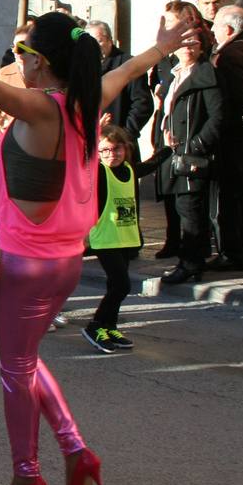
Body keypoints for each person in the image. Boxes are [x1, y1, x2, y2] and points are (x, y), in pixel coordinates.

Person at [0, 9, 194, 485]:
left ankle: (28, 475)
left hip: (27, 264)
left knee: (13, 366)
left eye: (22, 52)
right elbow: (130, 70)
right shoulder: (88, 102)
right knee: (23, 358)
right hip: (65, 262)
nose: (15, 60)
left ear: (41, 62)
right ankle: (74, 451)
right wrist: (162, 47)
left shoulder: (42, 108)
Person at [152, 15, 223, 285]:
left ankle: (191, 263)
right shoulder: (174, 72)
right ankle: (189, 259)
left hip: (191, 154)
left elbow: (217, 116)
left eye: (194, 41)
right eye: (184, 42)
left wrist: (194, 145)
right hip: (171, 151)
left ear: (202, 45)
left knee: (190, 209)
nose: (188, 46)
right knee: (182, 208)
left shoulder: (205, 74)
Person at [81, 126, 155, 353]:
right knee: (122, 284)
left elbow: (148, 166)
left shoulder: (129, 170)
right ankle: (95, 325)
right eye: (105, 150)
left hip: (125, 237)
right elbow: (82, 160)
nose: (111, 154)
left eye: (116, 149)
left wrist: (169, 151)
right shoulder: (99, 172)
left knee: (116, 285)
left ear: (126, 148)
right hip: (104, 238)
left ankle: (110, 326)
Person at [207, 6, 243, 272]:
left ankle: (233, 252)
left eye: (215, 24)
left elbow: (236, 97)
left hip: (233, 137)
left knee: (231, 197)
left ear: (228, 29)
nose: (212, 29)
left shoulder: (229, 55)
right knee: (242, 196)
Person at [85, 21, 154, 159]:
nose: (95, 47)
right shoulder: (84, 68)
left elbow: (143, 104)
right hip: (94, 146)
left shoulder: (127, 64)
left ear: (110, 41)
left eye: (99, 41)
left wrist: (124, 135)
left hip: (121, 145)